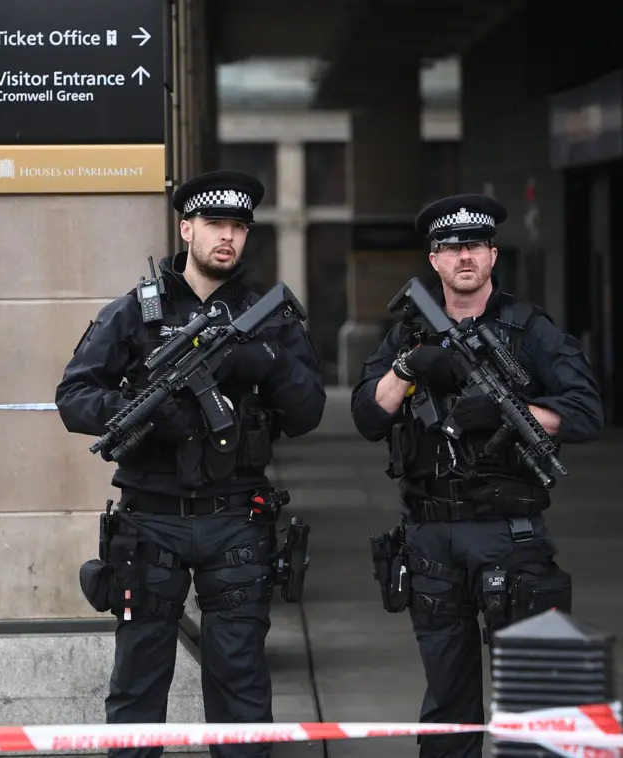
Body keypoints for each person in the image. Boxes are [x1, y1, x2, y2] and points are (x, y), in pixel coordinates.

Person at [55, 170, 326, 758]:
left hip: (238, 517)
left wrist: (268, 362)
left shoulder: (268, 316)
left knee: (240, 682)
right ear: (186, 229)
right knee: (138, 684)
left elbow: (307, 413)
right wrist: (141, 412)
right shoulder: (135, 311)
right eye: (214, 225)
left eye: (237, 227)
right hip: (150, 520)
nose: (226, 237)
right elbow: (73, 397)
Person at [351, 194, 604, 758]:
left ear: (492, 255)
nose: (463, 256)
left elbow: (587, 413)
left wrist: (513, 412)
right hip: (431, 536)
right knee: (447, 709)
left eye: (474, 246)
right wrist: (409, 366)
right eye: (450, 247)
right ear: (433, 260)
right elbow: (368, 415)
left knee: (536, 708)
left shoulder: (529, 329)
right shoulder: (408, 334)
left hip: (508, 534)